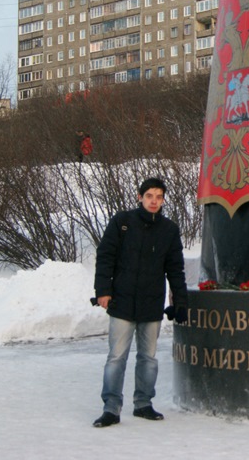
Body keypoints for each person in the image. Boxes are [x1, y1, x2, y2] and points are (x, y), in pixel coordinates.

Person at [92, 177, 188, 427]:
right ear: (140, 197)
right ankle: (111, 408)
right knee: (116, 358)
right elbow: (105, 257)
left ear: (163, 199)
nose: (154, 201)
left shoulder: (169, 230)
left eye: (158, 196)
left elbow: (175, 269)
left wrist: (180, 300)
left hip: (151, 304)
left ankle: (143, 403)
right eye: (149, 196)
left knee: (148, 358)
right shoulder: (122, 223)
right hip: (122, 302)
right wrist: (103, 290)